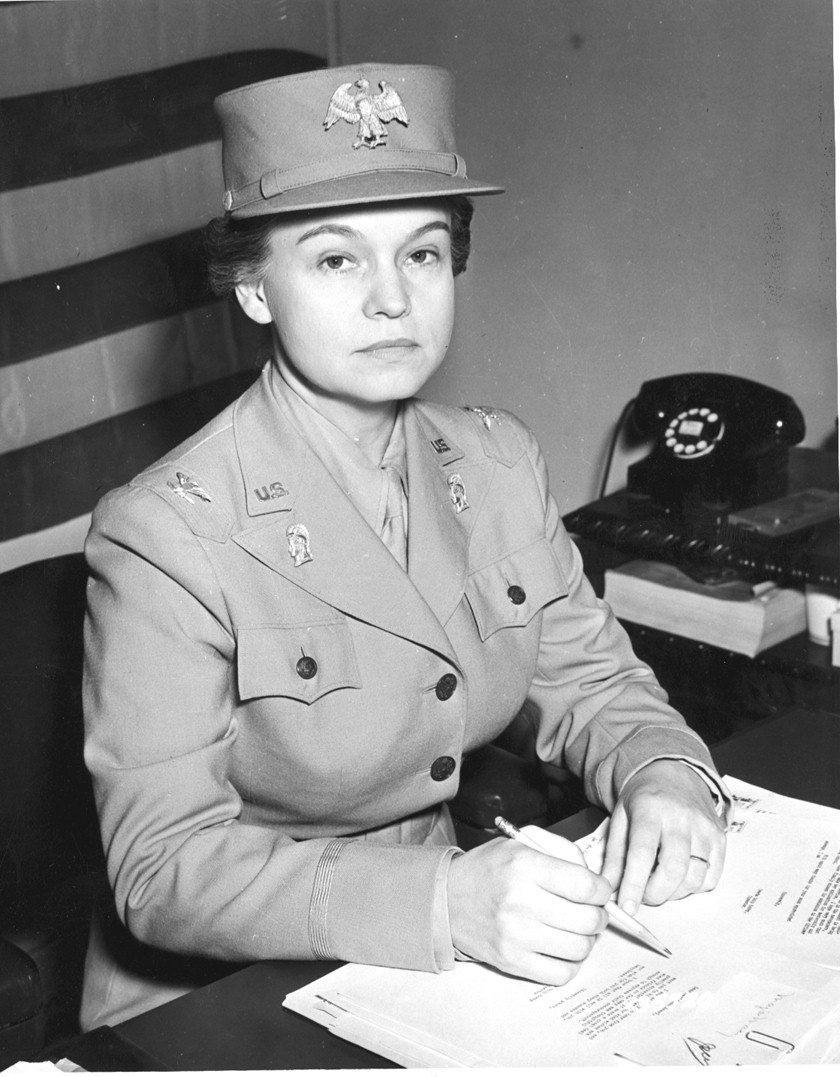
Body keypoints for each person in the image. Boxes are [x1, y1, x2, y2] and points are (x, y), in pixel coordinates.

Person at [80, 62, 729, 1029]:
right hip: (217, 997)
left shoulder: (498, 462)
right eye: (337, 260)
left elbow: (591, 681)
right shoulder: (168, 530)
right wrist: (444, 902)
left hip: (439, 958)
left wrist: (662, 770)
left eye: (421, 253)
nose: (393, 299)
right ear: (254, 288)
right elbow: (162, 866)